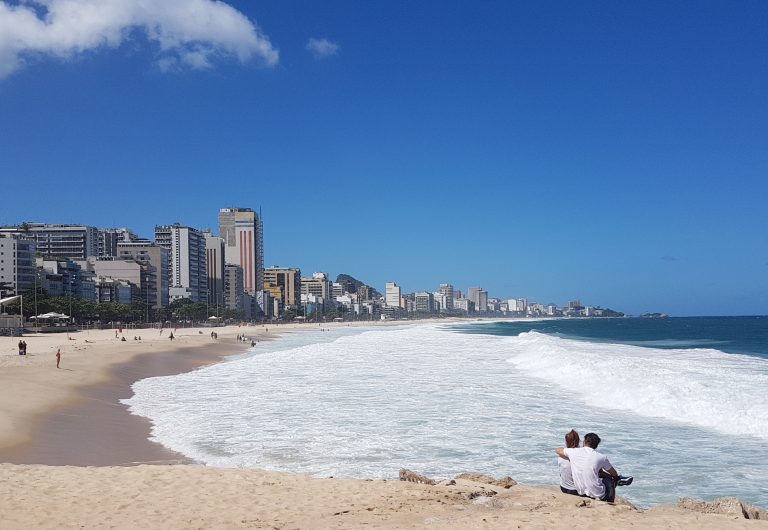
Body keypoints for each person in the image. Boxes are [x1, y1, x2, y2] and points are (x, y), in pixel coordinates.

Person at [555, 432, 620, 502]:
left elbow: (557, 450)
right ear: (596, 445)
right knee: (610, 479)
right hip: (597, 494)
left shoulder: (573, 452)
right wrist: (615, 478)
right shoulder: (602, 457)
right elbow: (614, 473)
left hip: (581, 491)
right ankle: (610, 502)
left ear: (584, 441)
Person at [558, 430, 580, 496]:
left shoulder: (561, 454)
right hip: (575, 491)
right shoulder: (580, 455)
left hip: (563, 487)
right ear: (578, 441)